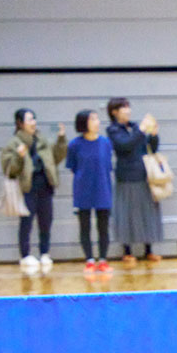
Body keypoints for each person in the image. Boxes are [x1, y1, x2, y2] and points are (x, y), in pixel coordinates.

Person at [0, 109, 66, 274]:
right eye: (29, 119)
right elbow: (10, 170)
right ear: (20, 123)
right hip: (27, 189)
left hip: (45, 187)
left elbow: (56, 158)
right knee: (26, 223)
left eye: (34, 119)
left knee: (46, 222)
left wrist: (61, 139)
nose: (33, 122)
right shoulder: (13, 144)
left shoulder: (42, 140)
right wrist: (19, 156)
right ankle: (26, 255)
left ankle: (44, 252)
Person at [107, 97, 164, 267]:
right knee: (127, 213)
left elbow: (151, 148)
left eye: (128, 107)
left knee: (146, 212)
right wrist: (141, 130)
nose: (128, 110)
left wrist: (153, 135)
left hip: (144, 175)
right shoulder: (113, 130)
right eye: (123, 107)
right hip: (126, 177)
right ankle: (127, 251)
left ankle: (149, 249)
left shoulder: (134, 127)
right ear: (114, 112)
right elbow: (125, 145)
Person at [66, 109, 113, 274]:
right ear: (84, 123)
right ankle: (89, 260)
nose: (97, 122)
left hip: (103, 189)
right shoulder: (74, 145)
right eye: (93, 119)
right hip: (83, 191)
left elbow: (108, 166)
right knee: (84, 227)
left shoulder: (105, 143)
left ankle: (103, 260)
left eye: (97, 119)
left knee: (103, 227)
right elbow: (72, 166)